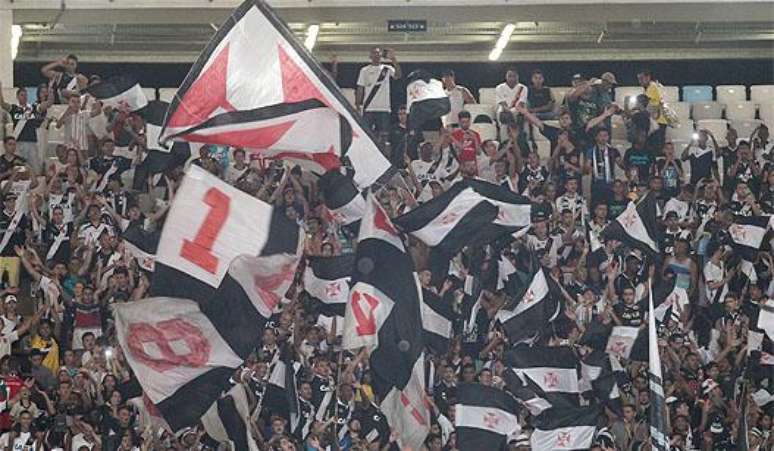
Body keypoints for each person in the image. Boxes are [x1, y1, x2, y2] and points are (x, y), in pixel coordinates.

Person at [0, 84, 52, 174]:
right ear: (17, 96)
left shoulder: (33, 108)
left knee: (35, 169)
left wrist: (51, 92)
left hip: (32, 142)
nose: (24, 97)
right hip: (18, 142)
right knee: (19, 168)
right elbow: (3, 104)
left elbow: (47, 104)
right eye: (22, 95)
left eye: (26, 95)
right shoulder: (14, 108)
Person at [355, 47, 401, 141]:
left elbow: (398, 75)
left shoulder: (387, 69)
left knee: (384, 136)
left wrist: (393, 59)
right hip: (368, 108)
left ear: (381, 56)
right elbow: (360, 87)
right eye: (374, 53)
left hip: (384, 108)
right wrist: (358, 104)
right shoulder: (364, 70)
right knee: (366, 135)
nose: (376, 55)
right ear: (370, 56)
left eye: (378, 53)